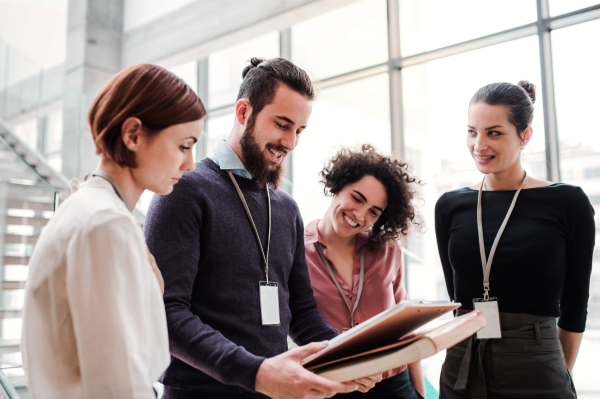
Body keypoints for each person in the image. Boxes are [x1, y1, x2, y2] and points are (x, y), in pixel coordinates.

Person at [144, 57, 374, 399]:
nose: (291, 142)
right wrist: (257, 372)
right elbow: (165, 313)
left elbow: (303, 315)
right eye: (282, 124)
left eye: (299, 130)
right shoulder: (185, 190)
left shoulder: (286, 209)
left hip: (272, 391)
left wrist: (348, 354)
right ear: (243, 112)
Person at [21, 64, 206, 398]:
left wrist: (151, 288)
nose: (190, 164)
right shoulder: (105, 223)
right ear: (133, 135)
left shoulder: (88, 209)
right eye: (184, 145)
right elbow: (118, 386)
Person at [435, 81, 594, 398]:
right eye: (472, 131)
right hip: (463, 363)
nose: (479, 144)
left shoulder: (567, 202)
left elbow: (575, 308)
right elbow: (457, 298)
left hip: (537, 363)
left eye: (494, 133)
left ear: (525, 136)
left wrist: (557, 371)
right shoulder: (450, 206)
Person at [304, 144, 426, 399]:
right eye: (357, 198)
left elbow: (405, 327)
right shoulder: (296, 251)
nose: (359, 215)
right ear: (338, 185)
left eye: (373, 211)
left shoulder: (388, 250)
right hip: (332, 386)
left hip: (394, 386)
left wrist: (420, 394)